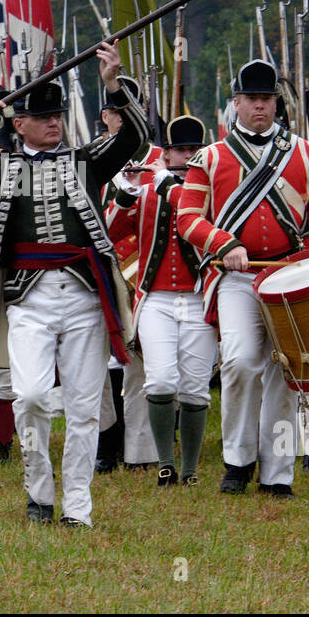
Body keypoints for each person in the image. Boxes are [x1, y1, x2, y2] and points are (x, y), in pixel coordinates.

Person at [0, 42, 143, 527]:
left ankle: (78, 505)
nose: (54, 122)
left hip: (86, 298)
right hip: (27, 300)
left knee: (85, 406)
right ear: (18, 123)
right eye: (43, 115)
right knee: (28, 397)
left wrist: (113, 84)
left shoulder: (87, 161)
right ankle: (38, 490)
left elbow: (134, 138)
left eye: (59, 114)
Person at [176, 60, 309, 497]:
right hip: (237, 278)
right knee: (238, 363)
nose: (260, 106)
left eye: (268, 99)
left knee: (288, 373)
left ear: (276, 103)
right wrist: (223, 243)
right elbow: (186, 218)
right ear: (236, 103)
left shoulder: (304, 153)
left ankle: (278, 473)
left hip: (290, 275)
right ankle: (238, 460)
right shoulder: (210, 157)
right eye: (252, 99)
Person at [107, 115, 215, 486]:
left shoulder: (212, 188)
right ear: (165, 154)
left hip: (200, 297)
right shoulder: (150, 187)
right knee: (161, 381)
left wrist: (168, 181)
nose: (188, 155)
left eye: (194, 150)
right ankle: (166, 464)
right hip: (155, 298)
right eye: (180, 150)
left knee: (195, 387)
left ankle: (190, 470)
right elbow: (110, 230)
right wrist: (128, 191)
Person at [95, 76, 162, 474]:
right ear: (106, 116)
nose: (127, 119)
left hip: (144, 272)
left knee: (139, 365)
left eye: (134, 112)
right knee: (98, 365)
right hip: (102, 269)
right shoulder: (93, 157)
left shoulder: (157, 161)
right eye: (121, 112)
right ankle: (104, 442)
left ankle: (139, 449)